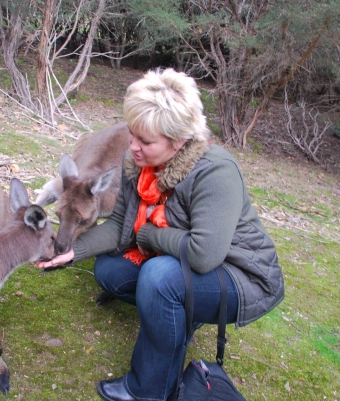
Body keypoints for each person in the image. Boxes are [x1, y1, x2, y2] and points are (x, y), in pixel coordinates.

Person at [37, 68, 284, 401]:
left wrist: (150, 236)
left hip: (240, 274)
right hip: (183, 260)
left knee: (158, 277)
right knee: (109, 271)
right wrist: (73, 251)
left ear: (179, 140)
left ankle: (149, 389)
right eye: (133, 135)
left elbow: (203, 254)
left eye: (146, 141)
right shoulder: (137, 164)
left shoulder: (215, 172)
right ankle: (177, 317)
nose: (134, 147)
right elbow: (118, 226)